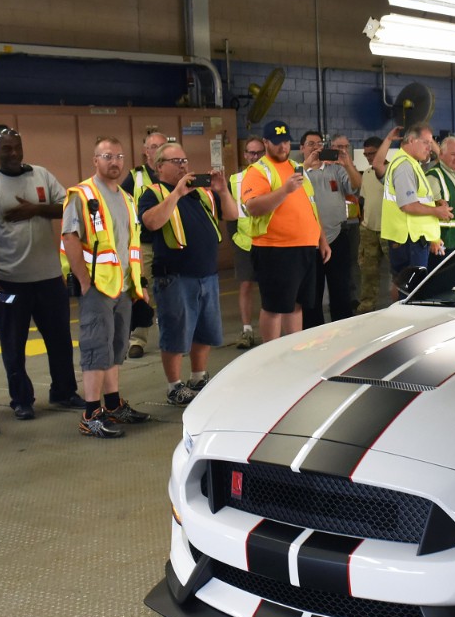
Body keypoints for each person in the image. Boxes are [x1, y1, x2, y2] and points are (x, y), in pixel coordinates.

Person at [0, 128, 83, 420]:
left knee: (60, 339)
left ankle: (63, 391)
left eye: (16, 148)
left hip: (48, 281)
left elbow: (69, 206)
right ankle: (21, 400)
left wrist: (37, 209)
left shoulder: (42, 176)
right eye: (5, 149)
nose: (12, 154)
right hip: (10, 285)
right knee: (13, 342)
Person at [60, 137, 151, 438]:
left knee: (115, 348)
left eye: (119, 156)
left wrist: (137, 285)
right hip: (97, 287)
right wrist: (84, 281)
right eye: (107, 156)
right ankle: (91, 414)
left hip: (122, 287)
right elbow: (69, 238)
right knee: (95, 348)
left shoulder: (126, 198)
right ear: (95, 161)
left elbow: (130, 245)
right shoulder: (83, 194)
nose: (114, 162)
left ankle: (112, 404)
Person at [138, 141, 238, 405]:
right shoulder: (154, 193)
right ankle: (174, 386)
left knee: (204, 331)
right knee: (175, 333)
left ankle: (198, 377)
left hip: (207, 274)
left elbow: (232, 214)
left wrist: (222, 190)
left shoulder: (202, 193)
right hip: (175, 277)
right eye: (176, 162)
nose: (183, 165)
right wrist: (176, 194)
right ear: (160, 166)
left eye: (184, 160)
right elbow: (151, 222)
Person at [240, 119, 331, 342]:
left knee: (296, 304)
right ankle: (270, 354)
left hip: (305, 248)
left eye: (287, 142)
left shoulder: (295, 167)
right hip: (276, 249)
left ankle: (294, 349)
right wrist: (285, 190)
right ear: (266, 142)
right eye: (277, 142)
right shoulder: (258, 171)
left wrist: (322, 239)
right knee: (274, 307)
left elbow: (310, 205)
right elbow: (253, 207)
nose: (283, 147)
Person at [381, 126, 452, 299]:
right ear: (412, 141)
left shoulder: (411, 163)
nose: (429, 147)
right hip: (409, 240)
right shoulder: (404, 166)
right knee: (413, 294)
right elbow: (408, 205)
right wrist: (436, 211)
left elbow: (416, 199)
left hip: (409, 238)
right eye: (426, 143)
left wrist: (435, 203)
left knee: (408, 290)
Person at [299, 131, 356, 327]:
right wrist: (305, 167)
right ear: (302, 148)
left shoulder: (336, 170)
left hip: (337, 236)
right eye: (311, 144)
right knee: (311, 292)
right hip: (307, 240)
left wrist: (347, 164)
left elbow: (356, 186)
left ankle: (343, 328)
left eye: (319, 144)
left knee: (341, 288)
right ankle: (313, 332)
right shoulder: (297, 171)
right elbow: (288, 188)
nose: (316, 147)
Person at [124, 128, 169, 359]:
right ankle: (137, 340)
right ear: (146, 152)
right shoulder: (135, 177)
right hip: (145, 245)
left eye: (162, 146)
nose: (158, 150)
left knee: (170, 292)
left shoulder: (174, 174)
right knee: (142, 292)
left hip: (170, 242)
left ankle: (171, 338)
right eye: (153, 147)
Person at [229, 137, 265, 349]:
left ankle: (270, 329)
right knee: (245, 285)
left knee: (269, 287)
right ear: (244, 155)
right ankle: (247, 330)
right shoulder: (235, 180)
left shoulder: (272, 177)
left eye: (259, 152)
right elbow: (230, 213)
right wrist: (234, 238)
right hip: (244, 242)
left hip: (268, 241)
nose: (254, 157)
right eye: (251, 153)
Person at [358, 130, 399, 313]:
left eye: (372, 153)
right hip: (369, 230)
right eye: (366, 154)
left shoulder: (393, 171)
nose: (368, 157)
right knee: (368, 273)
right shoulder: (366, 174)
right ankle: (367, 308)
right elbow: (365, 200)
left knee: (396, 271)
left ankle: (399, 306)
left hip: (389, 230)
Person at [330, 133, 364, 308]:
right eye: (338, 147)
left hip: (351, 222)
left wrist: (348, 165)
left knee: (351, 262)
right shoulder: (326, 168)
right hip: (331, 225)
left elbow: (357, 184)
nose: (342, 150)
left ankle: (350, 296)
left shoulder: (351, 167)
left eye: (345, 147)